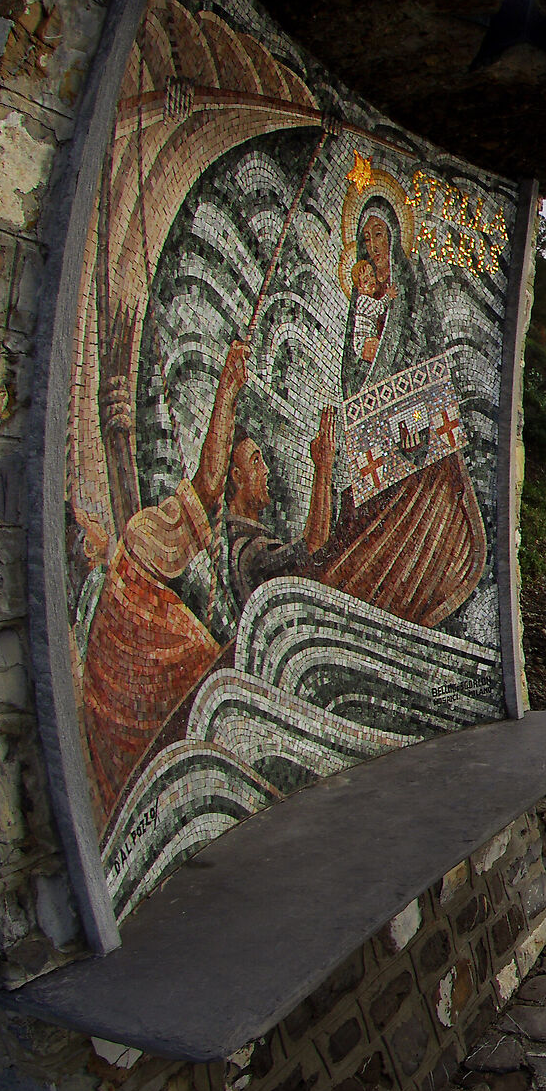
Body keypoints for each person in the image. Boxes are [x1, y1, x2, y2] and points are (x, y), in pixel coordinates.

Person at [79, 340, 337, 818]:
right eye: (255, 462)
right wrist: (321, 466)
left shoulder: (149, 565)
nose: (267, 471)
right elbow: (306, 549)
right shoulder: (212, 547)